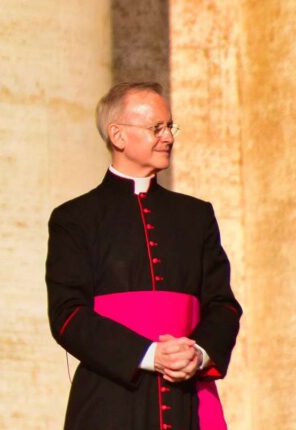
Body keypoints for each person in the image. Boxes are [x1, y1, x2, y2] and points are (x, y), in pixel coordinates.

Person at [46, 82, 242, 430]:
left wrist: (197, 354)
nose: (168, 136)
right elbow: (68, 315)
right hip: (109, 400)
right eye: (157, 128)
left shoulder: (196, 217)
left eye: (170, 126)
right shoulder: (75, 219)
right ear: (118, 136)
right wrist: (150, 355)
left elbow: (223, 305)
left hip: (188, 399)